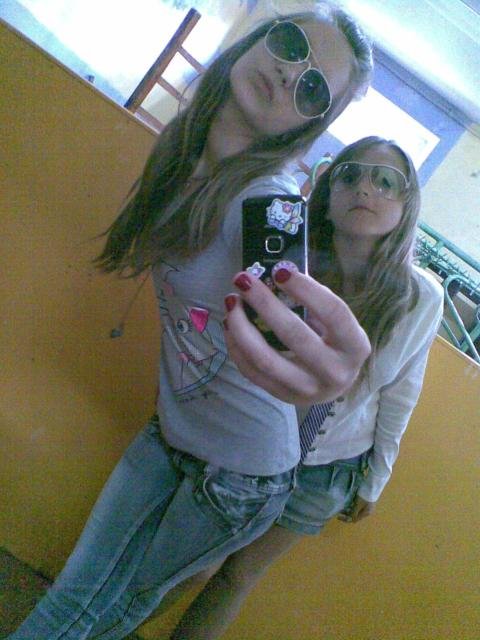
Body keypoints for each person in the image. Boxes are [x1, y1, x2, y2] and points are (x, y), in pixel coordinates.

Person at [8, 6, 373, 640]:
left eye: (313, 88)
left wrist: (323, 371)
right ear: (261, 38)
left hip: (240, 476)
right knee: (89, 600)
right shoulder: (182, 155)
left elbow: (286, 329)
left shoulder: (272, 203)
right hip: (171, 429)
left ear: (310, 123)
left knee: (104, 606)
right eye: (292, 44)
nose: (291, 74)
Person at [152, 136, 445, 640]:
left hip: (327, 471)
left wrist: (375, 481)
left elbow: (401, 392)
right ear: (326, 196)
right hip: (250, 445)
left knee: (238, 577)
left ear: (406, 206)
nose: (365, 189)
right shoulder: (284, 261)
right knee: (194, 566)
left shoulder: (421, 297)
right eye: (350, 175)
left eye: (386, 182)